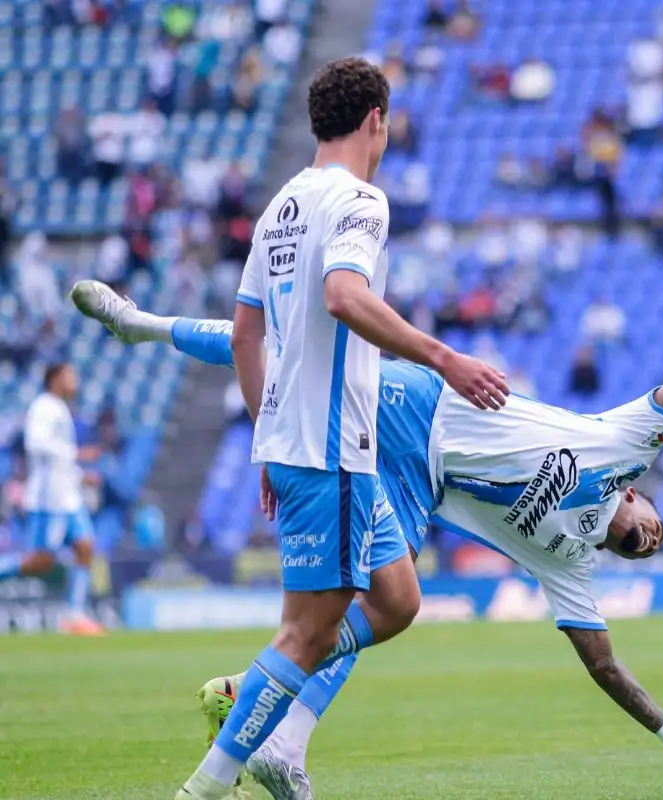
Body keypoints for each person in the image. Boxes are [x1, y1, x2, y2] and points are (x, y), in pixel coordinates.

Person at [72, 281, 663, 798]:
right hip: (422, 405)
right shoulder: (622, 445)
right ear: (637, 492)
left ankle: (274, 728)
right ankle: (144, 325)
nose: (653, 539)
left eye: (649, 547)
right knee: (286, 362)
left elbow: (604, 665)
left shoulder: (569, 561)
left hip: (409, 487)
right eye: (656, 525)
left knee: (389, 604)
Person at [151, 57, 508, 800]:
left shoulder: (280, 205)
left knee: (398, 597)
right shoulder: (360, 201)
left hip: (299, 443)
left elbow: (248, 336)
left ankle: (258, 717)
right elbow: (344, 296)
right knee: (307, 634)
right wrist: (445, 358)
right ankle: (206, 788)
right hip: (332, 448)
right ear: (376, 119)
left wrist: (266, 432)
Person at [0, 364, 103, 635]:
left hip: (68, 497)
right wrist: (77, 454)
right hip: (49, 500)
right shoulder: (43, 407)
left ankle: (74, 616)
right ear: (55, 379)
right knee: (39, 562)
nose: (76, 382)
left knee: (85, 546)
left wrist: (81, 476)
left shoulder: (60, 409)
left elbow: (60, 461)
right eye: (71, 376)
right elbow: (36, 443)